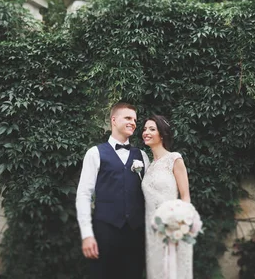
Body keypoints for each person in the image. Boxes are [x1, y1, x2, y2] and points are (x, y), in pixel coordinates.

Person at [76, 102, 150, 279]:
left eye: (134, 119)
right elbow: (84, 194)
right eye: (128, 118)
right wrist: (87, 234)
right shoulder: (95, 153)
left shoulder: (142, 155)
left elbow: (149, 194)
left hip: (135, 234)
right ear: (114, 120)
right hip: (105, 232)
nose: (133, 122)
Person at [141, 115, 193, 279]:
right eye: (144, 129)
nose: (146, 132)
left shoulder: (174, 159)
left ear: (162, 135)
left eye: (151, 129)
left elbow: (185, 198)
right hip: (152, 231)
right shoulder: (148, 167)